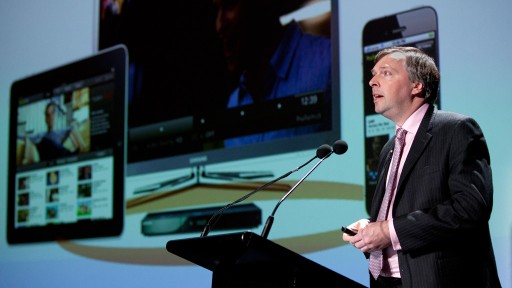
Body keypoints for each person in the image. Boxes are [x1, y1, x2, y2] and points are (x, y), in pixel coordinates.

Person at [342, 46, 501, 287]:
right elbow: (399, 216)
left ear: (417, 85)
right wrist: (370, 231)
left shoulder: (456, 129)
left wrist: (389, 231)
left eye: (385, 73)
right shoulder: (389, 148)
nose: (372, 82)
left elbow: (470, 208)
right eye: (373, 74)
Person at [213, 0, 331, 146]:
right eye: (217, 10)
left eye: (229, 6)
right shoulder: (233, 105)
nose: (219, 26)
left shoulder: (330, 64)